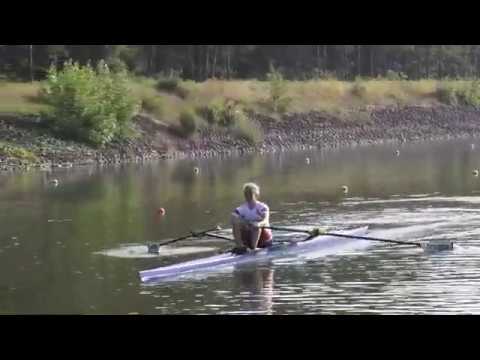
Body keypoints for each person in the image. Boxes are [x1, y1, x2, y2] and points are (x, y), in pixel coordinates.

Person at [231, 183, 273, 253]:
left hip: (264, 239)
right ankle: (240, 246)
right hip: (249, 237)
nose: (248, 195)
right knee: (236, 223)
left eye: (250, 193)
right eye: (246, 193)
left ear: (256, 194)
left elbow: (265, 221)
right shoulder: (241, 209)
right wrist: (246, 223)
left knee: (256, 225)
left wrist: (258, 224)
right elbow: (233, 218)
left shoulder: (262, 207)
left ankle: (254, 248)